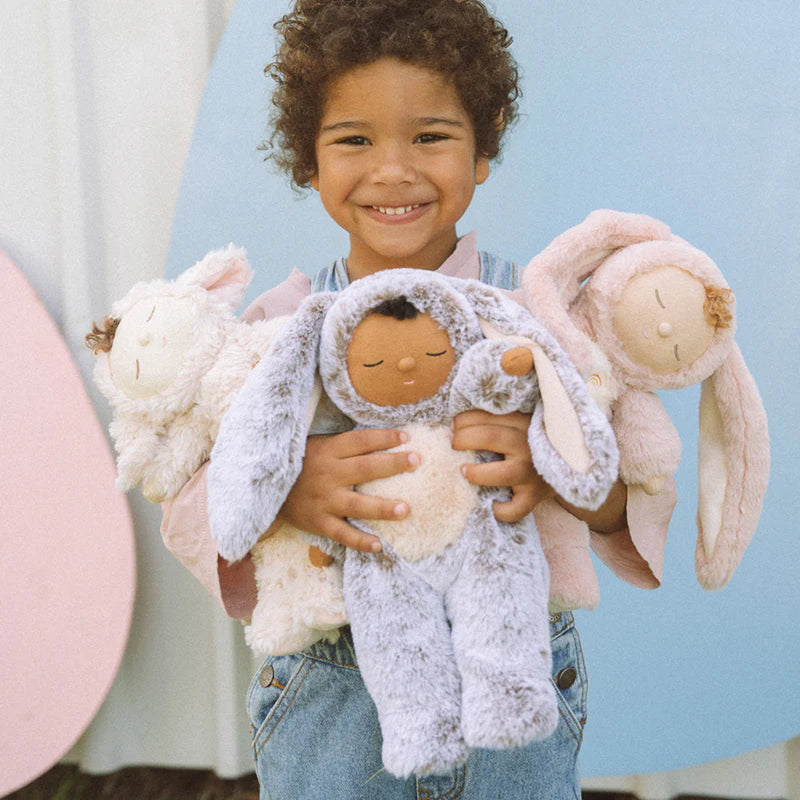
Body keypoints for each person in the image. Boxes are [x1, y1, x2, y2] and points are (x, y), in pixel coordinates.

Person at [161, 1, 629, 797]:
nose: (393, 170)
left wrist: (552, 467)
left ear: (485, 144)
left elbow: (621, 499)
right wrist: (289, 494)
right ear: (307, 158)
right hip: (332, 696)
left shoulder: (535, 318)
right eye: (353, 140)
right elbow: (188, 505)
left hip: (508, 683)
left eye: (430, 136)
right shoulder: (277, 335)